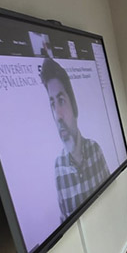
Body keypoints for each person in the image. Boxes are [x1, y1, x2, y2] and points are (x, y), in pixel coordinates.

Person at [41, 58, 110, 222]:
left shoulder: (95, 150)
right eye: (52, 104)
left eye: (61, 101)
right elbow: (64, 220)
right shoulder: (59, 167)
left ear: (74, 105)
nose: (58, 115)